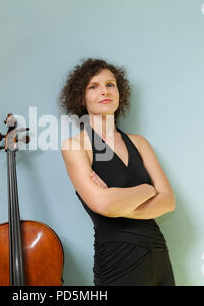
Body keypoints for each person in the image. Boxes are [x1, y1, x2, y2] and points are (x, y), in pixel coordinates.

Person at [58, 58, 176, 286]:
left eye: (110, 84)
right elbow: (102, 205)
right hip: (117, 262)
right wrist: (147, 189)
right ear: (81, 98)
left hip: (159, 254)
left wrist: (116, 203)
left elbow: (169, 202)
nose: (105, 91)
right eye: (93, 86)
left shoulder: (139, 143)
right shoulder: (75, 146)